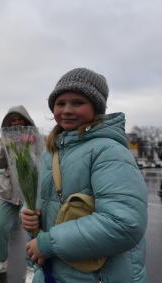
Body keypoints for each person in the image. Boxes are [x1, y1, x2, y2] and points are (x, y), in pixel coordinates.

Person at [21, 68, 147, 282]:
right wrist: (30, 215)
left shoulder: (108, 151)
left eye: (77, 102)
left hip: (99, 276)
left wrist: (47, 243)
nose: (67, 110)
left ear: (96, 108)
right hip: (53, 271)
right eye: (60, 103)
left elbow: (124, 223)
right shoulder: (50, 152)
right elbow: (50, 204)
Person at [0, 105, 35, 281]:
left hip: (30, 190)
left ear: (26, 120)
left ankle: (32, 267)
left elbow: (40, 160)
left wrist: (29, 145)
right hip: (8, 190)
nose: (16, 122)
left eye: (19, 119)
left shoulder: (34, 137)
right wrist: (3, 147)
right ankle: (1, 261)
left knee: (31, 228)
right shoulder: (5, 138)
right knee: (0, 225)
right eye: (12, 120)